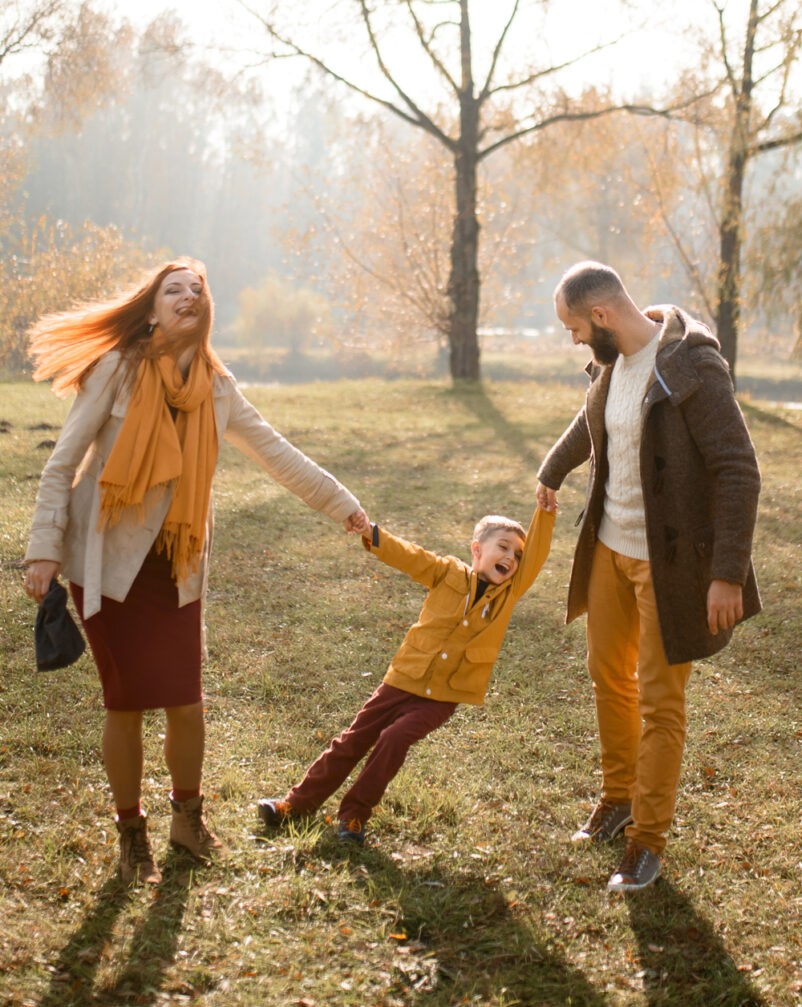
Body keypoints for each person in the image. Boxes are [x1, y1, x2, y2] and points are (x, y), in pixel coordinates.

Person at [23, 259, 369, 885]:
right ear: (151, 308)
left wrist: (342, 504)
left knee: (186, 701)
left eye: (198, 290)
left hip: (176, 564)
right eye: (173, 290)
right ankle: (133, 834)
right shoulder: (116, 371)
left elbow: (276, 452)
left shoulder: (216, 386)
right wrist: (43, 547)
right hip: (110, 564)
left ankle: (187, 821)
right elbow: (62, 463)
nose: (188, 297)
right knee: (125, 704)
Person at [536, 261, 760, 892]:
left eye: (575, 328)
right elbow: (595, 418)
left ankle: (647, 842)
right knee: (609, 677)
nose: (574, 340)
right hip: (609, 546)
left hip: (673, 569)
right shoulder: (613, 365)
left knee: (661, 702)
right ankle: (619, 797)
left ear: (602, 317)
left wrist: (727, 574)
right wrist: (551, 470)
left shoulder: (692, 366)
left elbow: (739, 471)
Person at [257, 504, 555, 846]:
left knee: (395, 738)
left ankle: (354, 814)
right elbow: (410, 556)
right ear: (477, 550)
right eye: (503, 546)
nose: (511, 557)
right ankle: (295, 805)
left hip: (442, 696)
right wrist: (371, 532)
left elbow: (537, 553)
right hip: (402, 679)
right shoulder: (448, 573)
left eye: (517, 554)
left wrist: (546, 512)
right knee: (351, 741)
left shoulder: (508, 595)